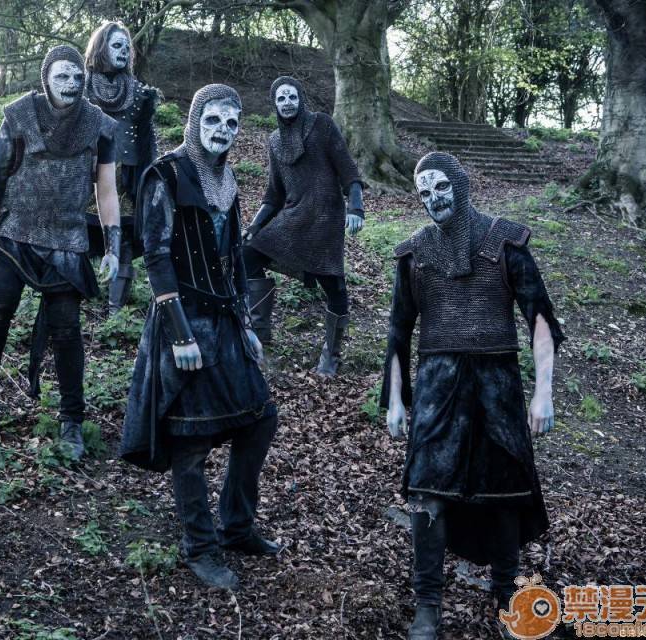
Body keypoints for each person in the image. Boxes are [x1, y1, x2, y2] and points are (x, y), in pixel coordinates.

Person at [380, 152, 566, 639]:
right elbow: (399, 331)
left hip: (496, 386)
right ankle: (427, 605)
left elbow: (540, 321)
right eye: (423, 192)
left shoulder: (504, 242)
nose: (433, 199)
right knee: (427, 493)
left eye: (440, 187)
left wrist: (543, 393)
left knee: (504, 494)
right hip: (438, 388)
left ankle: (506, 597)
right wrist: (396, 399)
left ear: (459, 186)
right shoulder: (415, 254)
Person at [120, 84, 280, 592]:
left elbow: (232, 259)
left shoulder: (226, 179)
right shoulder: (166, 174)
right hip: (183, 323)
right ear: (195, 122)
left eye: (231, 123)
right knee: (190, 440)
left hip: (225, 321)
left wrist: (247, 325)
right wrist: (180, 335)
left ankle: (236, 526)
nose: (222, 131)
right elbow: (155, 255)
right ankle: (200, 546)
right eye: (213, 120)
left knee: (260, 419)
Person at [0, 44, 120, 461]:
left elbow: (106, 192)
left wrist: (113, 246)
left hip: (67, 240)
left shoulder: (98, 125)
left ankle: (72, 419)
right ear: (46, 79)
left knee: (67, 330)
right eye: (61, 76)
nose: (70, 83)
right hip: (14, 233)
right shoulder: (20, 116)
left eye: (76, 76)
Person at [244, 76, 366, 376]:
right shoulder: (274, 140)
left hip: (325, 217)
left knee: (333, 284)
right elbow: (273, 194)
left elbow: (348, 170)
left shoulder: (321, 124)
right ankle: (260, 336)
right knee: (246, 255)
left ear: (301, 98)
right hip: (292, 217)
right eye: (281, 98)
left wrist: (356, 207)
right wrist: (254, 226)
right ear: (274, 103)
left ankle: (331, 354)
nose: (287, 103)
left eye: (291, 97)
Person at [83, 21, 160, 312]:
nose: (124, 51)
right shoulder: (81, 85)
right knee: (80, 231)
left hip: (126, 176)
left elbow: (147, 141)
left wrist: (149, 179)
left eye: (127, 47)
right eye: (117, 45)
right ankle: (76, 293)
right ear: (101, 48)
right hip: (87, 173)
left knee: (124, 235)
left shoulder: (139, 92)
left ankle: (115, 310)